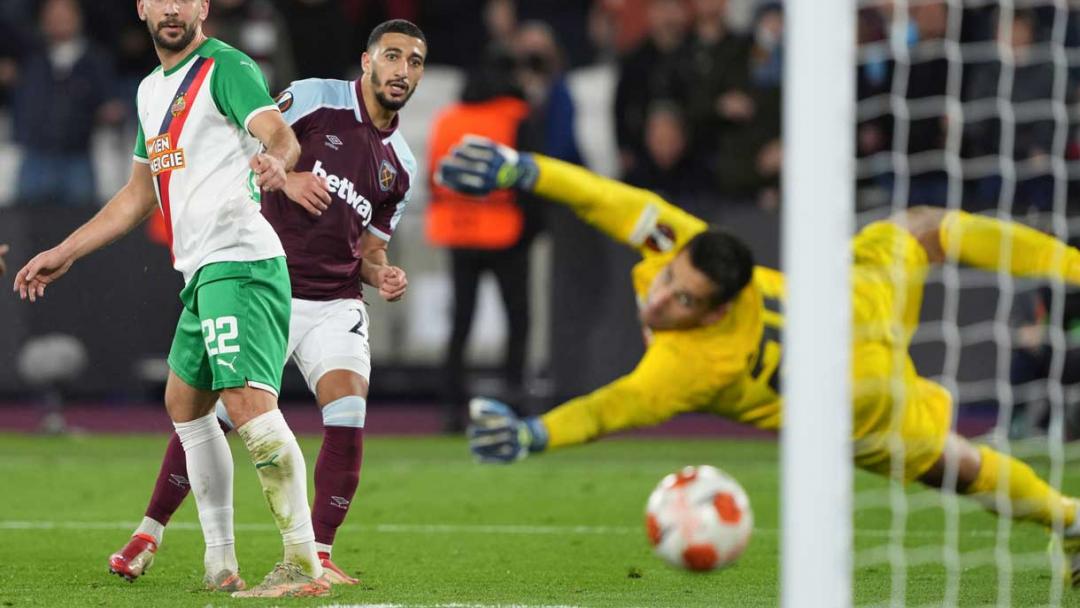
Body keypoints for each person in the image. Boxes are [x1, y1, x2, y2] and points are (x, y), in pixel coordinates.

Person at [437, 137, 1080, 585]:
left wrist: (534, 434)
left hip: (858, 402)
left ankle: (1069, 519)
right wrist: (525, 170)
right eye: (666, 283)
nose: (659, 300)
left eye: (681, 300)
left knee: (951, 466)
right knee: (926, 228)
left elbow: (611, 409)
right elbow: (609, 199)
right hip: (856, 304)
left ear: (716, 312)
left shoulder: (691, 367)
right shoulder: (686, 247)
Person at [13, 0, 328, 598]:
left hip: (238, 261)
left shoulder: (227, 67)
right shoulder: (149, 92)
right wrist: (67, 250)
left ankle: (301, 562)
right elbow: (137, 196)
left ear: (203, 6)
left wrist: (276, 163)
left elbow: (280, 137)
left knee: (248, 406)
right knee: (185, 404)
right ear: (141, 8)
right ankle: (220, 562)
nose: (172, 7)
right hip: (201, 271)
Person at [106, 19, 425, 587]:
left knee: (348, 413)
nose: (403, 70)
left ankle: (316, 556)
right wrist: (288, 176)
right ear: (367, 61)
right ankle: (150, 528)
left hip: (335, 300)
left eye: (415, 61)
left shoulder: (400, 163)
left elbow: (371, 249)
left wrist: (384, 274)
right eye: (393, 56)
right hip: (268, 283)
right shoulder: (313, 97)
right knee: (211, 417)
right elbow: (249, 145)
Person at [426, 56, 534, 431]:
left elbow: (432, 177)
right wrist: (533, 229)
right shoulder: (514, 117)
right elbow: (528, 179)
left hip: (458, 229)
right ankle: (514, 400)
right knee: (517, 319)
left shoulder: (448, 119)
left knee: (461, 322)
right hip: (505, 231)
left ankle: (451, 406)